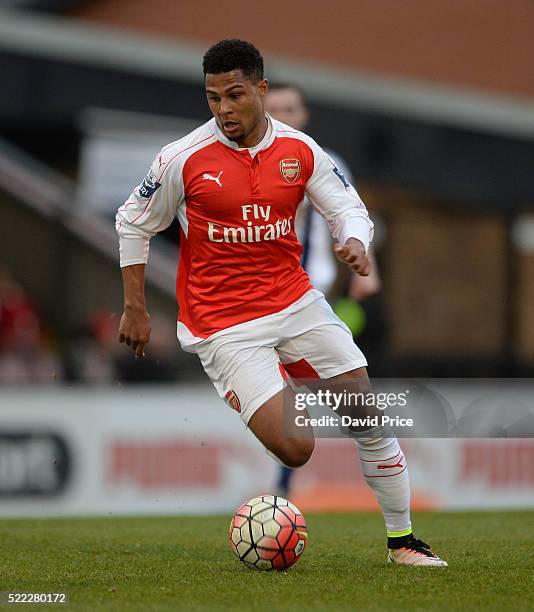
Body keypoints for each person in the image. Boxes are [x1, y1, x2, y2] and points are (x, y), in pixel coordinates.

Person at [116, 39, 446, 567]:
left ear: (261, 90)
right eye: (213, 97)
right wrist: (135, 307)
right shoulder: (182, 159)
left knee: (367, 414)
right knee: (298, 446)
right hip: (225, 325)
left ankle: (403, 543)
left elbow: (348, 208)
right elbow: (132, 222)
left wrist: (355, 242)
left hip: (295, 303)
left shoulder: (300, 151)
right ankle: (276, 380)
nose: (224, 109)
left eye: (235, 95)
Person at [266, 83, 382, 498]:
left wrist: (367, 267)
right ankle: (287, 474)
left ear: (304, 114)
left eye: (290, 108)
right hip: (265, 290)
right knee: (293, 386)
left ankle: (289, 479)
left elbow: (349, 213)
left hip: (310, 286)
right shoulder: (252, 163)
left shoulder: (324, 161)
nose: (283, 114)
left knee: (326, 382)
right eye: (274, 108)